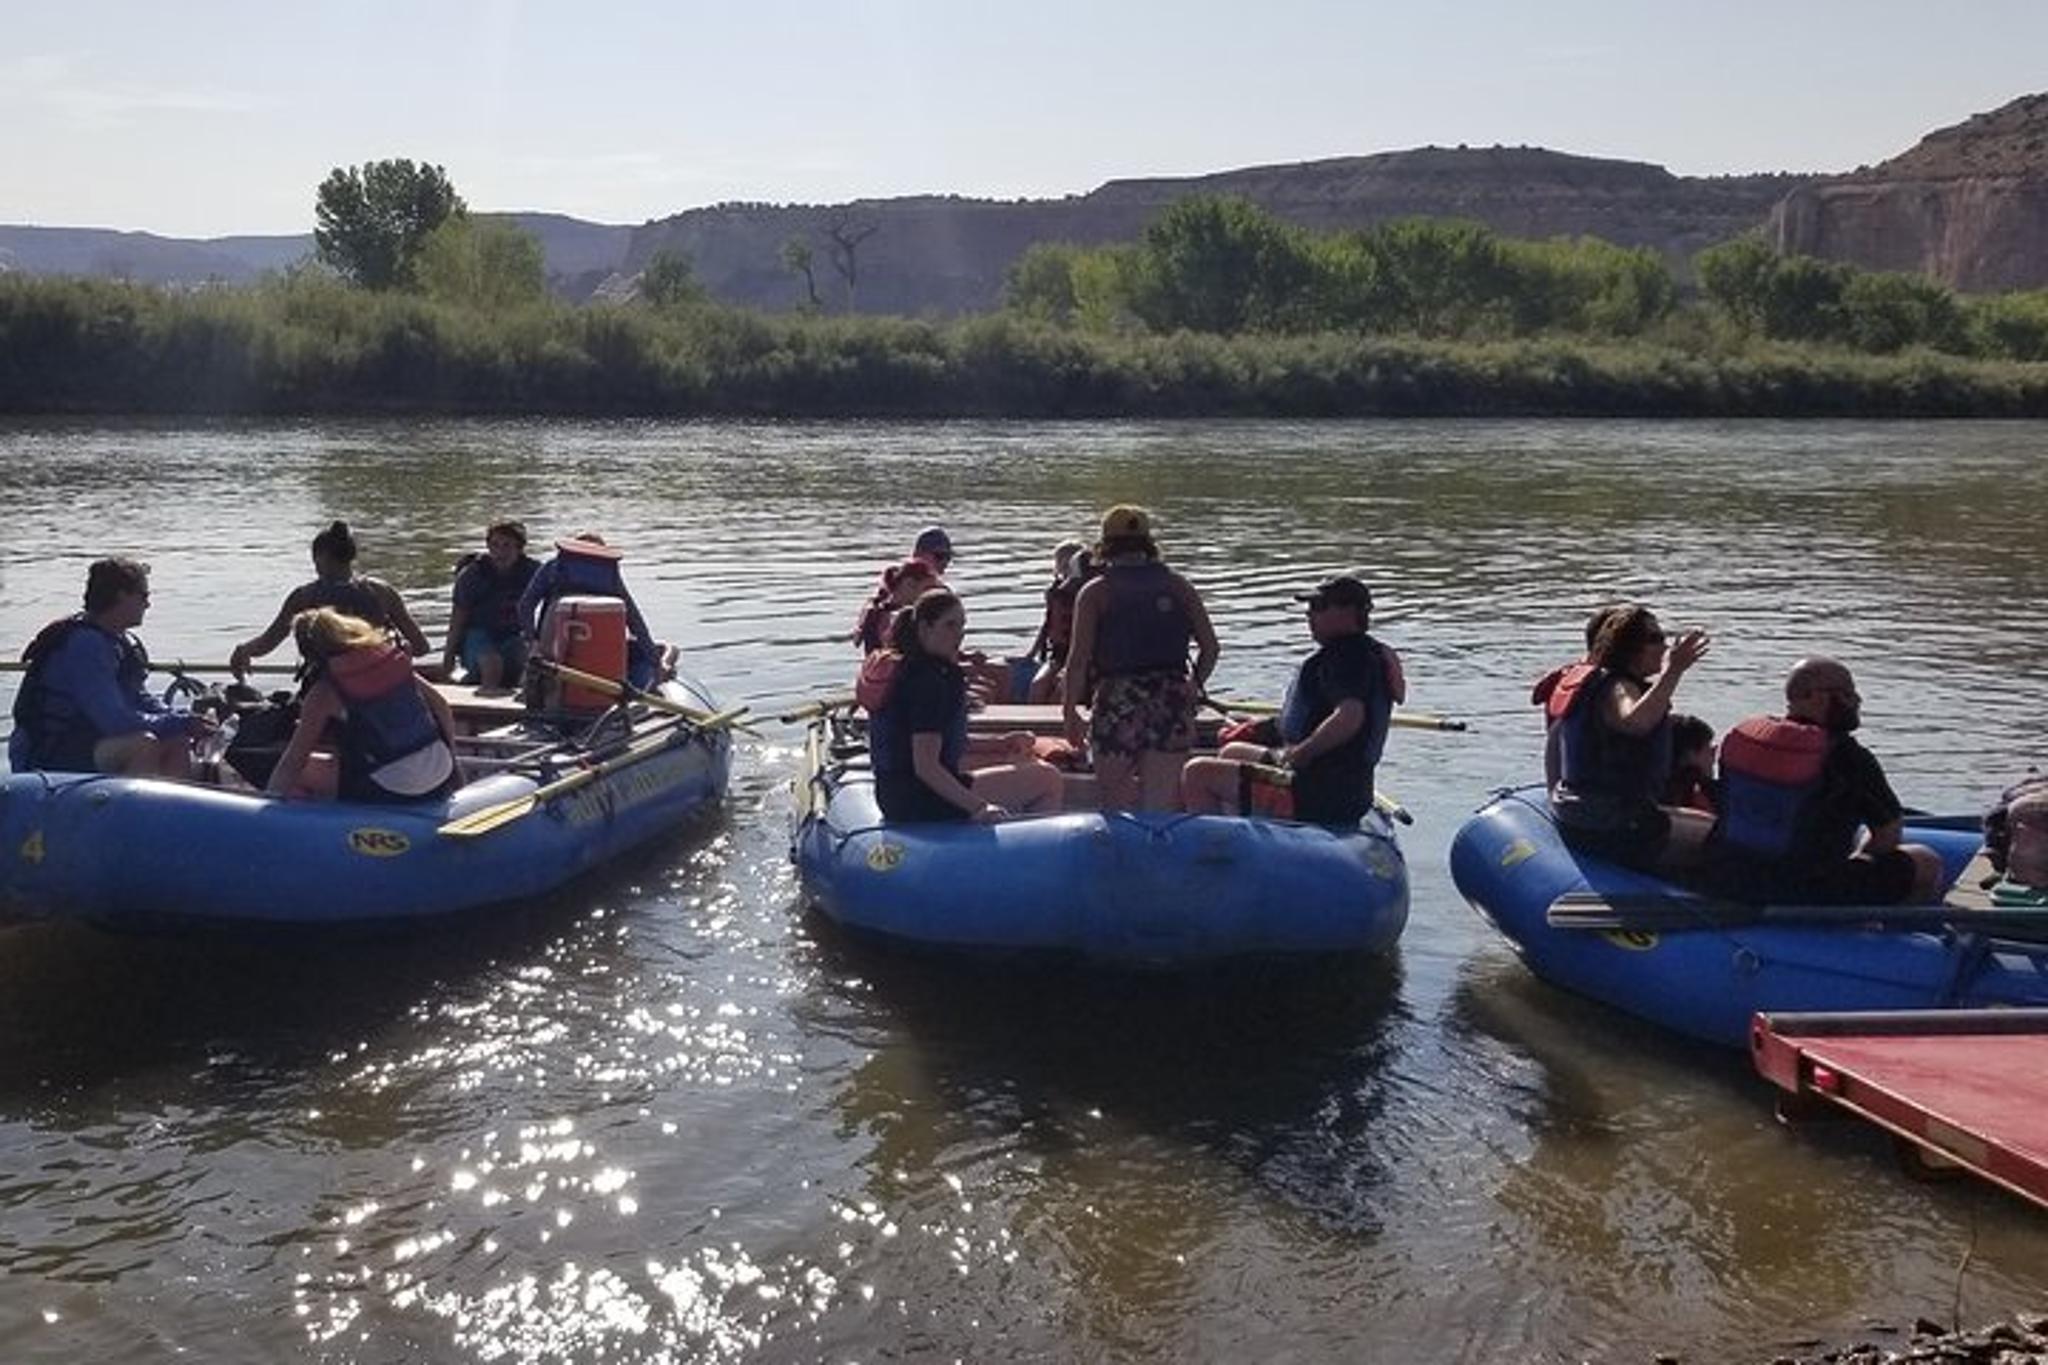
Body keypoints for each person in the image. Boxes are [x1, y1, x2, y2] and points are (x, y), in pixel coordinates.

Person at [1707, 657, 1946, 904]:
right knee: (1926, 861)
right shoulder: (1849, 757)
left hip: (1727, 877)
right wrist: (1859, 858)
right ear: (1817, 697)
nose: (1857, 701)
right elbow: (1887, 836)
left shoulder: (1747, 740)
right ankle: (1889, 934)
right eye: (1848, 694)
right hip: (1804, 889)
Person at [1182, 575, 1403, 826]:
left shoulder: (1344, 660)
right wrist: (1258, 729)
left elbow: (1350, 717)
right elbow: (1311, 719)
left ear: (1349, 612)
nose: (1309, 615)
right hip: (1350, 789)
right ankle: (1243, 828)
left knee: (1198, 772)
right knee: (1234, 751)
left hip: (1318, 794)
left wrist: (1302, 753)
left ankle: (1215, 849)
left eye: (1319, 607)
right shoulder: (1370, 653)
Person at [1062, 505, 1219, 811]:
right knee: (1157, 807)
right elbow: (1210, 648)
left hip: (1118, 698)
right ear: (1148, 542)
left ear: (1106, 545)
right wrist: (1193, 685)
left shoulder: (1096, 592)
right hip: (1170, 696)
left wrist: (1069, 712)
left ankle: (1120, 855)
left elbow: (1078, 660)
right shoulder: (1178, 585)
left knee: (1114, 804)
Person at [867, 589, 1063, 824]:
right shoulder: (931, 682)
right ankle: (1027, 846)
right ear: (924, 628)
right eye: (949, 625)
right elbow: (926, 765)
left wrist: (999, 744)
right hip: (919, 800)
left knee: (1018, 760)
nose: (959, 634)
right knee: (1048, 779)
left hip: (893, 795)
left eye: (962, 626)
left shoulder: (907, 669)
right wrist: (979, 806)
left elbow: (932, 743)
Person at [1546, 604, 1714, 872]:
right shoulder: (1616, 687)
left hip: (1594, 813)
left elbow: (1555, 747)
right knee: (1725, 840)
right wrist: (1675, 669)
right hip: (1611, 822)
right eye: (1654, 639)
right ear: (1629, 648)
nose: (1665, 647)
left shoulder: (1597, 684)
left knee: (1713, 822)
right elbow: (1636, 722)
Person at [9, 557, 205, 779]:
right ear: (122, 595)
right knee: (143, 745)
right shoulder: (85, 645)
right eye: (144, 596)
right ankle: (132, 811)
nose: (147, 604)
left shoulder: (118, 641)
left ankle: (172, 810)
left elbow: (139, 699)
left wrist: (185, 719)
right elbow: (114, 721)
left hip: (89, 740)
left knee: (177, 739)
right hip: (50, 749)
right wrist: (178, 722)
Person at [266, 608, 459, 804]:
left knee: (299, 770)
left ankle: (317, 822)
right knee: (335, 762)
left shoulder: (324, 692)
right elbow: (442, 707)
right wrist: (453, 762)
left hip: (391, 789)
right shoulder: (392, 660)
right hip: (441, 773)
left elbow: (294, 760)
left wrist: (270, 800)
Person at [231, 521, 430, 676]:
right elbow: (421, 647)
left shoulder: (303, 598)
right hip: (379, 687)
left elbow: (268, 643)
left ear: (320, 558)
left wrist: (244, 650)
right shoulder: (382, 592)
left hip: (327, 689)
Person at [517, 532, 668, 690]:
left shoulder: (552, 567)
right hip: (600, 652)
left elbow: (525, 606)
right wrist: (655, 662)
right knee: (660, 652)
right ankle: (642, 687)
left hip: (554, 650)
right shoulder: (609, 576)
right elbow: (634, 621)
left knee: (664, 650)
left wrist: (532, 641)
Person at [1533, 604, 1626, 788]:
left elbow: (1537, 697)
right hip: (1585, 789)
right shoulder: (1602, 685)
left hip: (1561, 780)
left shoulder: (1567, 677)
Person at [442, 520, 542, 689]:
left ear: (520, 547)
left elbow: (552, 603)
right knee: (492, 664)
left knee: (532, 665)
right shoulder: (473, 575)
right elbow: (458, 617)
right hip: (477, 636)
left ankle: (525, 705)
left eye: (507, 545)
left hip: (513, 636)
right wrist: (448, 659)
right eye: (494, 545)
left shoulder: (533, 571)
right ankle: (489, 708)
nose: (500, 552)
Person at [1025, 542, 1090, 704]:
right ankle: (1033, 724)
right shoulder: (1054, 593)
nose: (1064, 566)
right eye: (1060, 562)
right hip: (1058, 655)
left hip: (1082, 656)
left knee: (1061, 691)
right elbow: (1047, 624)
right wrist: (1031, 653)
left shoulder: (1089, 594)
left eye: (1069, 562)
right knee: (1037, 686)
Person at [852, 558, 942, 654]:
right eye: (927, 589)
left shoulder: (874, 607)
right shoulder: (899, 616)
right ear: (909, 584)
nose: (931, 594)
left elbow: (856, 641)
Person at [1664, 714, 1719, 816]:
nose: (1714, 758)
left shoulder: (1649, 787)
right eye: (1710, 750)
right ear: (1690, 755)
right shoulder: (1703, 794)